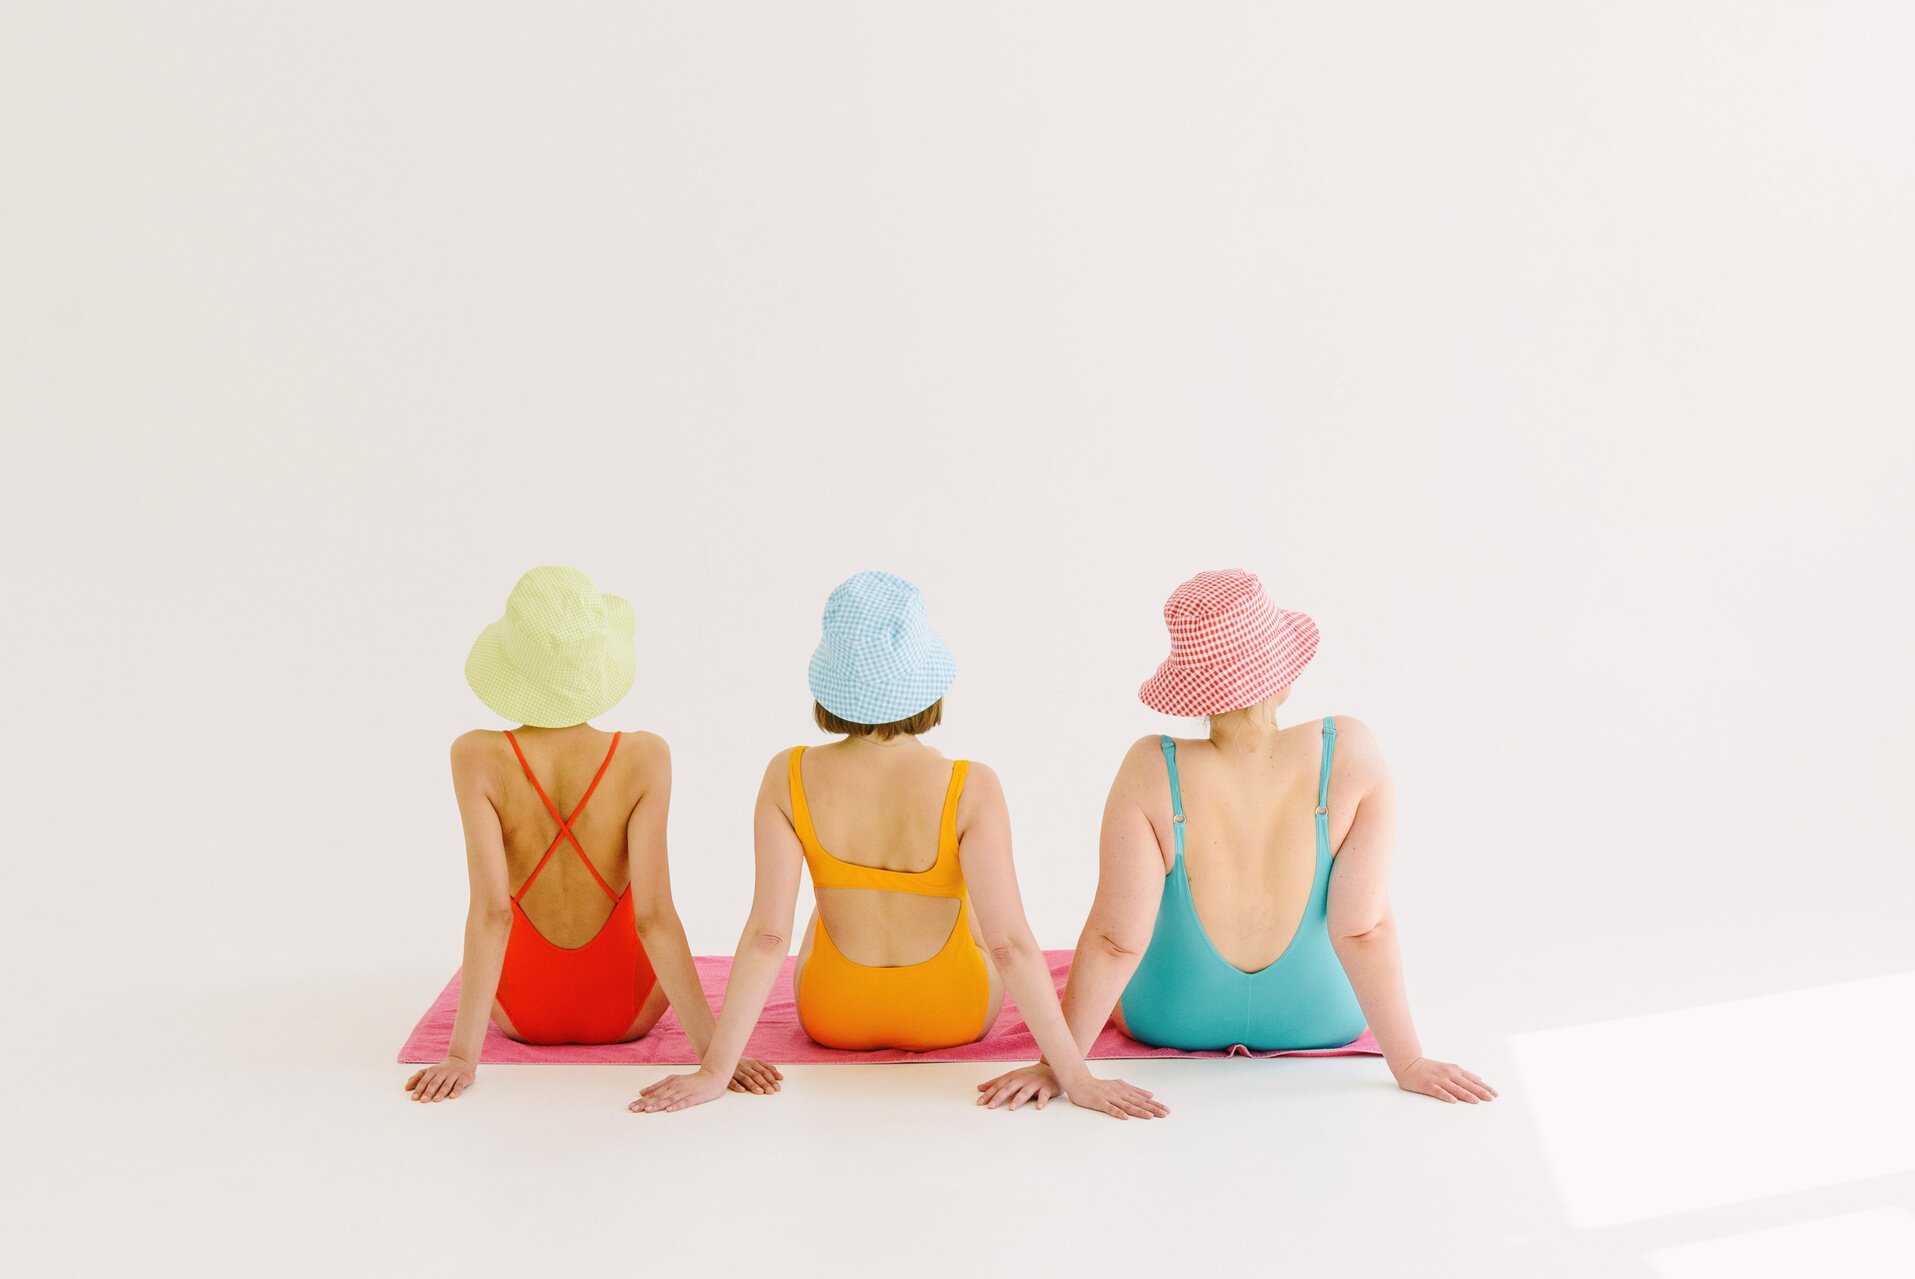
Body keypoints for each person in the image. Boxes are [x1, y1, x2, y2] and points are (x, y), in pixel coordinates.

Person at [630, 571, 1167, 1119]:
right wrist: (1073, 1077)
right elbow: (1011, 945)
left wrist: (714, 1069)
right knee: (974, 908)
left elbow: (769, 936)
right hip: (952, 1013)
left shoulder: (787, 774)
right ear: (927, 685)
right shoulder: (970, 785)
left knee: (824, 902)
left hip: (833, 1015)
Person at [977, 570, 1495, 1110]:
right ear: (1281, 671)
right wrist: (1408, 1062)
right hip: (1320, 1016)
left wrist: (1057, 1067)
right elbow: (1362, 928)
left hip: (1171, 1016)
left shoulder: (1152, 768)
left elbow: (1116, 940)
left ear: (1192, 687)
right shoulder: (1349, 751)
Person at [405, 566, 781, 1102]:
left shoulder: (475, 755)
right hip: (630, 1014)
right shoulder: (644, 755)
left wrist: (463, 1057)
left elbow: (492, 912)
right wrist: (713, 1053)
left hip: (523, 1016)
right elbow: (654, 917)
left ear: (514, 667)